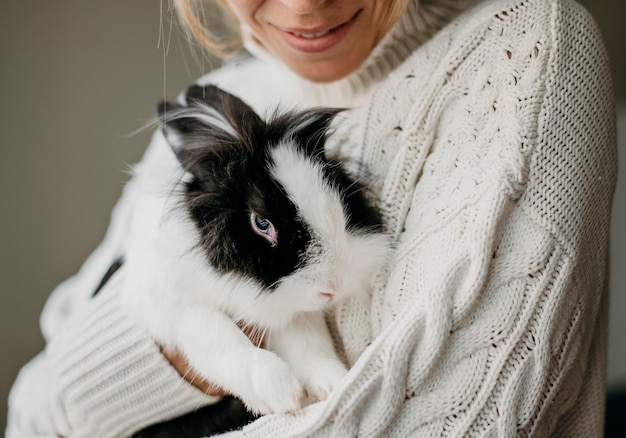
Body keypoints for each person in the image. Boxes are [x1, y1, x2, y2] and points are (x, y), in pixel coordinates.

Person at [6, 0, 618, 436]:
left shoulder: (523, 51)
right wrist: (183, 342)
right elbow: (33, 410)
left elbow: (452, 416)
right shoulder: (215, 113)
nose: (304, 5)